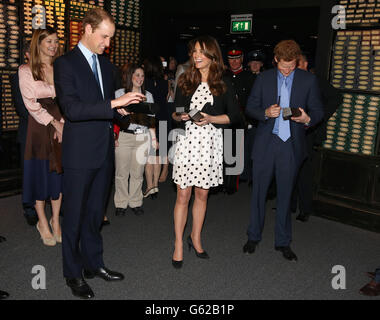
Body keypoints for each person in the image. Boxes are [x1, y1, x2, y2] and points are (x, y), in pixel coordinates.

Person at [54, 8, 145, 299]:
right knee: (74, 216)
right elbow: (73, 109)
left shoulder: (107, 67)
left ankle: (95, 263)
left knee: (95, 214)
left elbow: (109, 108)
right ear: (88, 29)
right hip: (79, 154)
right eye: (105, 37)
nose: (108, 43)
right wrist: (113, 103)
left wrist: (127, 118)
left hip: (104, 151)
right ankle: (73, 272)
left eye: (110, 38)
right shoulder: (65, 64)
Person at [243, 40, 324, 261]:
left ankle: (283, 241)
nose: (287, 70)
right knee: (259, 193)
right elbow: (250, 106)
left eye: (292, 66)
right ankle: (253, 236)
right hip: (265, 144)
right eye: (283, 66)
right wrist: (265, 112)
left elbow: (318, 110)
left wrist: (308, 118)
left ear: (297, 61)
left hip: (291, 145)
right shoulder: (264, 78)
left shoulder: (308, 80)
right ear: (276, 60)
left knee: (286, 195)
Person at [171, 35, 241, 268]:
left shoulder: (223, 83)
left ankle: (196, 237)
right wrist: (179, 115)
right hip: (186, 143)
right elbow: (175, 112)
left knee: (202, 195)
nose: (197, 56)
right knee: (183, 195)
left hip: (210, 144)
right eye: (194, 52)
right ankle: (179, 243)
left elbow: (233, 116)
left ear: (213, 56)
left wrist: (211, 118)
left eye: (202, 52)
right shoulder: (185, 80)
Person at [18, 27, 64, 247]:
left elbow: (67, 100)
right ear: (38, 44)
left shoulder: (61, 69)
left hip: (63, 126)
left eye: (56, 41)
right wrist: (55, 122)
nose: (53, 45)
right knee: (40, 175)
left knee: (58, 175)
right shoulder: (26, 70)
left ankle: (56, 220)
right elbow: (31, 104)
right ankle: (42, 222)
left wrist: (64, 123)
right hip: (39, 129)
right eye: (49, 42)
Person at [292, 53, 342, 222]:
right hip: (293, 130)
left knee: (305, 171)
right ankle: (290, 204)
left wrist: (319, 117)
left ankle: (305, 208)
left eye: (295, 65)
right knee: (290, 167)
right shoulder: (293, 82)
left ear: (305, 64)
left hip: (309, 132)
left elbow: (336, 97)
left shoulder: (316, 81)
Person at [113, 64, 157, 216]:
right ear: (131, 76)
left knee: (137, 173)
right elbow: (113, 117)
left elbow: (151, 120)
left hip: (142, 137)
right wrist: (114, 136)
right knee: (121, 172)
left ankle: (135, 202)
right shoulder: (120, 93)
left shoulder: (148, 96)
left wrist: (153, 139)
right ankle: (120, 203)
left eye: (142, 76)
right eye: (137, 75)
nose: (140, 78)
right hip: (124, 137)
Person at [10, 40, 38, 226]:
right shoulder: (18, 76)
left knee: (50, 171)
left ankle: (51, 206)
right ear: (27, 54)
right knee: (29, 174)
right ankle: (29, 209)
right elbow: (22, 109)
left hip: (49, 132)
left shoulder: (48, 75)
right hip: (28, 132)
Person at [144, 56, 170, 185]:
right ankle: (156, 170)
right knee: (152, 145)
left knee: (163, 144)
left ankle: (165, 169)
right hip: (152, 116)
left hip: (162, 114)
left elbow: (167, 96)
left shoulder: (164, 81)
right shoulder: (144, 81)